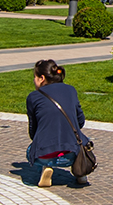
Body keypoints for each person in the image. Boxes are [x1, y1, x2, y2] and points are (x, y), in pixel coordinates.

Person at [24, 59, 89, 188]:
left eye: (35, 77)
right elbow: (80, 121)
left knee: (30, 150)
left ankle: (46, 167)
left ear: (42, 78)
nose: (34, 80)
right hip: (72, 152)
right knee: (78, 143)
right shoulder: (71, 90)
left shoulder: (33, 97)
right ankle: (80, 171)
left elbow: (33, 130)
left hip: (45, 154)